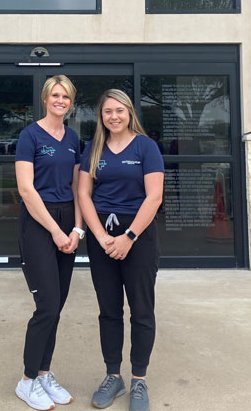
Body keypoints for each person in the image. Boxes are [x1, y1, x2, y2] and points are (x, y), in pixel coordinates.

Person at [78, 89, 164, 411]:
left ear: (130, 112)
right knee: (109, 311)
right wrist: (100, 237)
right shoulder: (93, 148)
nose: (113, 116)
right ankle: (113, 376)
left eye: (119, 110)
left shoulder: (146, 147)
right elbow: (84, 195)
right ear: (101, 116)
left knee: (141, 310)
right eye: (107, 112)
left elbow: (153, 197)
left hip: (137, 235)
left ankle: (139, 380)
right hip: (101, 236)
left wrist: (128, 236)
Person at [15, 75, 83, 411]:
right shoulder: (29, 136)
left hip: (67, 223)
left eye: (66, 97)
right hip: (39, 225)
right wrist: (56, 231)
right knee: (46, 307)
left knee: (57, 307)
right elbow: (27, 190)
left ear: (71, 102)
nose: (60, 101)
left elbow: (77, 189)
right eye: (55, 95)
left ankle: (43, 373)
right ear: (45, 98)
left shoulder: (72, 138)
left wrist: (77, 231)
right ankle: (26, 381)